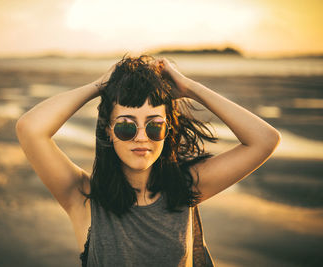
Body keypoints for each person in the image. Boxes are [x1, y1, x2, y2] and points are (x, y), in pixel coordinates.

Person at [15, 54, 281, 267]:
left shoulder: (186, 187)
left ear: (168, 130)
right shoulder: (83, 197)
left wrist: (190, 88)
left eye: (154, 127)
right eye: (126, 127)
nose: (142, 138)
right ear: (108, 130)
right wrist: (100, 87)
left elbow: (265, 140)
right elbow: (30, 128)